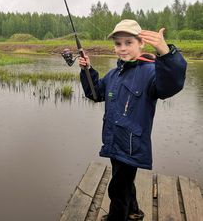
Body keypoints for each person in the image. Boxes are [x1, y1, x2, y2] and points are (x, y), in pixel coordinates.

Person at [78, 19, 187, 221]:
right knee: (125, 182)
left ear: (141, 43)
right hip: (114, 141)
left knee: (118, 188)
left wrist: (167, 53)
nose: (122, 48)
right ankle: (133, 211)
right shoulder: (114, 74)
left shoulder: (152, 72)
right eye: (118, 44)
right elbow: (95, 94)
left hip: (131, 145)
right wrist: (88, 70)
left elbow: (171, 86)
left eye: (129, 43)